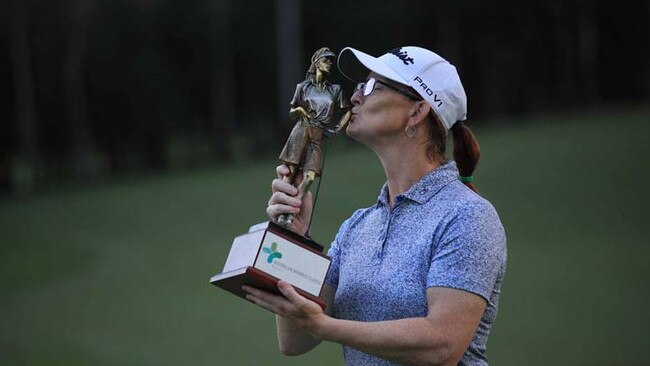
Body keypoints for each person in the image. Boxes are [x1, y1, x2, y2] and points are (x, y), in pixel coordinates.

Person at [243, 46, 507, 366]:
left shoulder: (466, 216)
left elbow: (442, 344)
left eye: (371, 87)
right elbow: (295, 339)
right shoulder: (358, 226)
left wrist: (327, 327)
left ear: (417, 112)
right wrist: (294, 237)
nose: (355, 97)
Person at [277, 47, 351, 227]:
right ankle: (285, 214)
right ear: (316, 62)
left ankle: (294, 206)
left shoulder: (335, 90)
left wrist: (337, 128)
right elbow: (292, 111)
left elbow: (347, 110)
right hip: (301, 129)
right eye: (326, 60)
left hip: (318, 133)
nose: (329, 64)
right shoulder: (302, 87)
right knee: (291, 172)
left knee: (309, 177)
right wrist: (300, 110)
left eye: (330, 61)